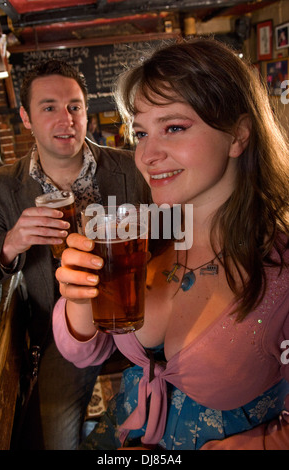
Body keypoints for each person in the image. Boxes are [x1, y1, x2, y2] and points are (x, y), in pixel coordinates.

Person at [52, 38, 289, 450]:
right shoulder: (144, 232)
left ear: (238, 135)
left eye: (174, 127)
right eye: (140, 132)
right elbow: (84, 353)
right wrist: (78, 297)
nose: (147, 155)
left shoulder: (280, 270)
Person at [0, 59, 151, 450]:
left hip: (143, 325)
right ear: (26, 117)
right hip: (59, 337)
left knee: (160, 435)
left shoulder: (135, 167)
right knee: (55, 442)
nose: (67, 119)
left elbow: (174, 234)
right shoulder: (0, 189)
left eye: (75, 107)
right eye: (49, 108)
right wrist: (11, 243)